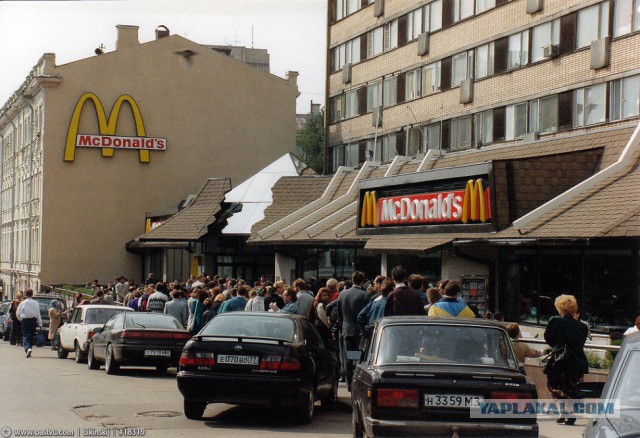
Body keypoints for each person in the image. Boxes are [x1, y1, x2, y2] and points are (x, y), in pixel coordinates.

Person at [544, 294, 589, 426]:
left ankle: (563, 412)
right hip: (577, 362)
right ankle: (569, 413)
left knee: (554, 385)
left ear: (560, 308)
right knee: (572, 388)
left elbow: (549, 339)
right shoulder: (583, 326)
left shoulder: (555, 321)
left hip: (560, 361)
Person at [337, 271, 369, 390]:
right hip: (359, 331)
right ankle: (358, 383)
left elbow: (339, 313)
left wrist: (342, 325)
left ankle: (349, 383)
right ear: (362, 281)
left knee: (348, 357)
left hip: (347, 329)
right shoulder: (364, 295)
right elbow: (366, 314)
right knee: (359, 357)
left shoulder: (342, 294)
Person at [16, 289, 42, 358]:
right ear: (32, 294)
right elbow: (38, 314)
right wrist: (40, 324)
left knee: (25, 335)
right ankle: (30, 348)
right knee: (31, 335)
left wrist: (20, 319)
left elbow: (18, 313)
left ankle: (27, 348)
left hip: (25, 321)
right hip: (33, 321)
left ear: (25, 295)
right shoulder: (36, 303)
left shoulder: (23, 303)